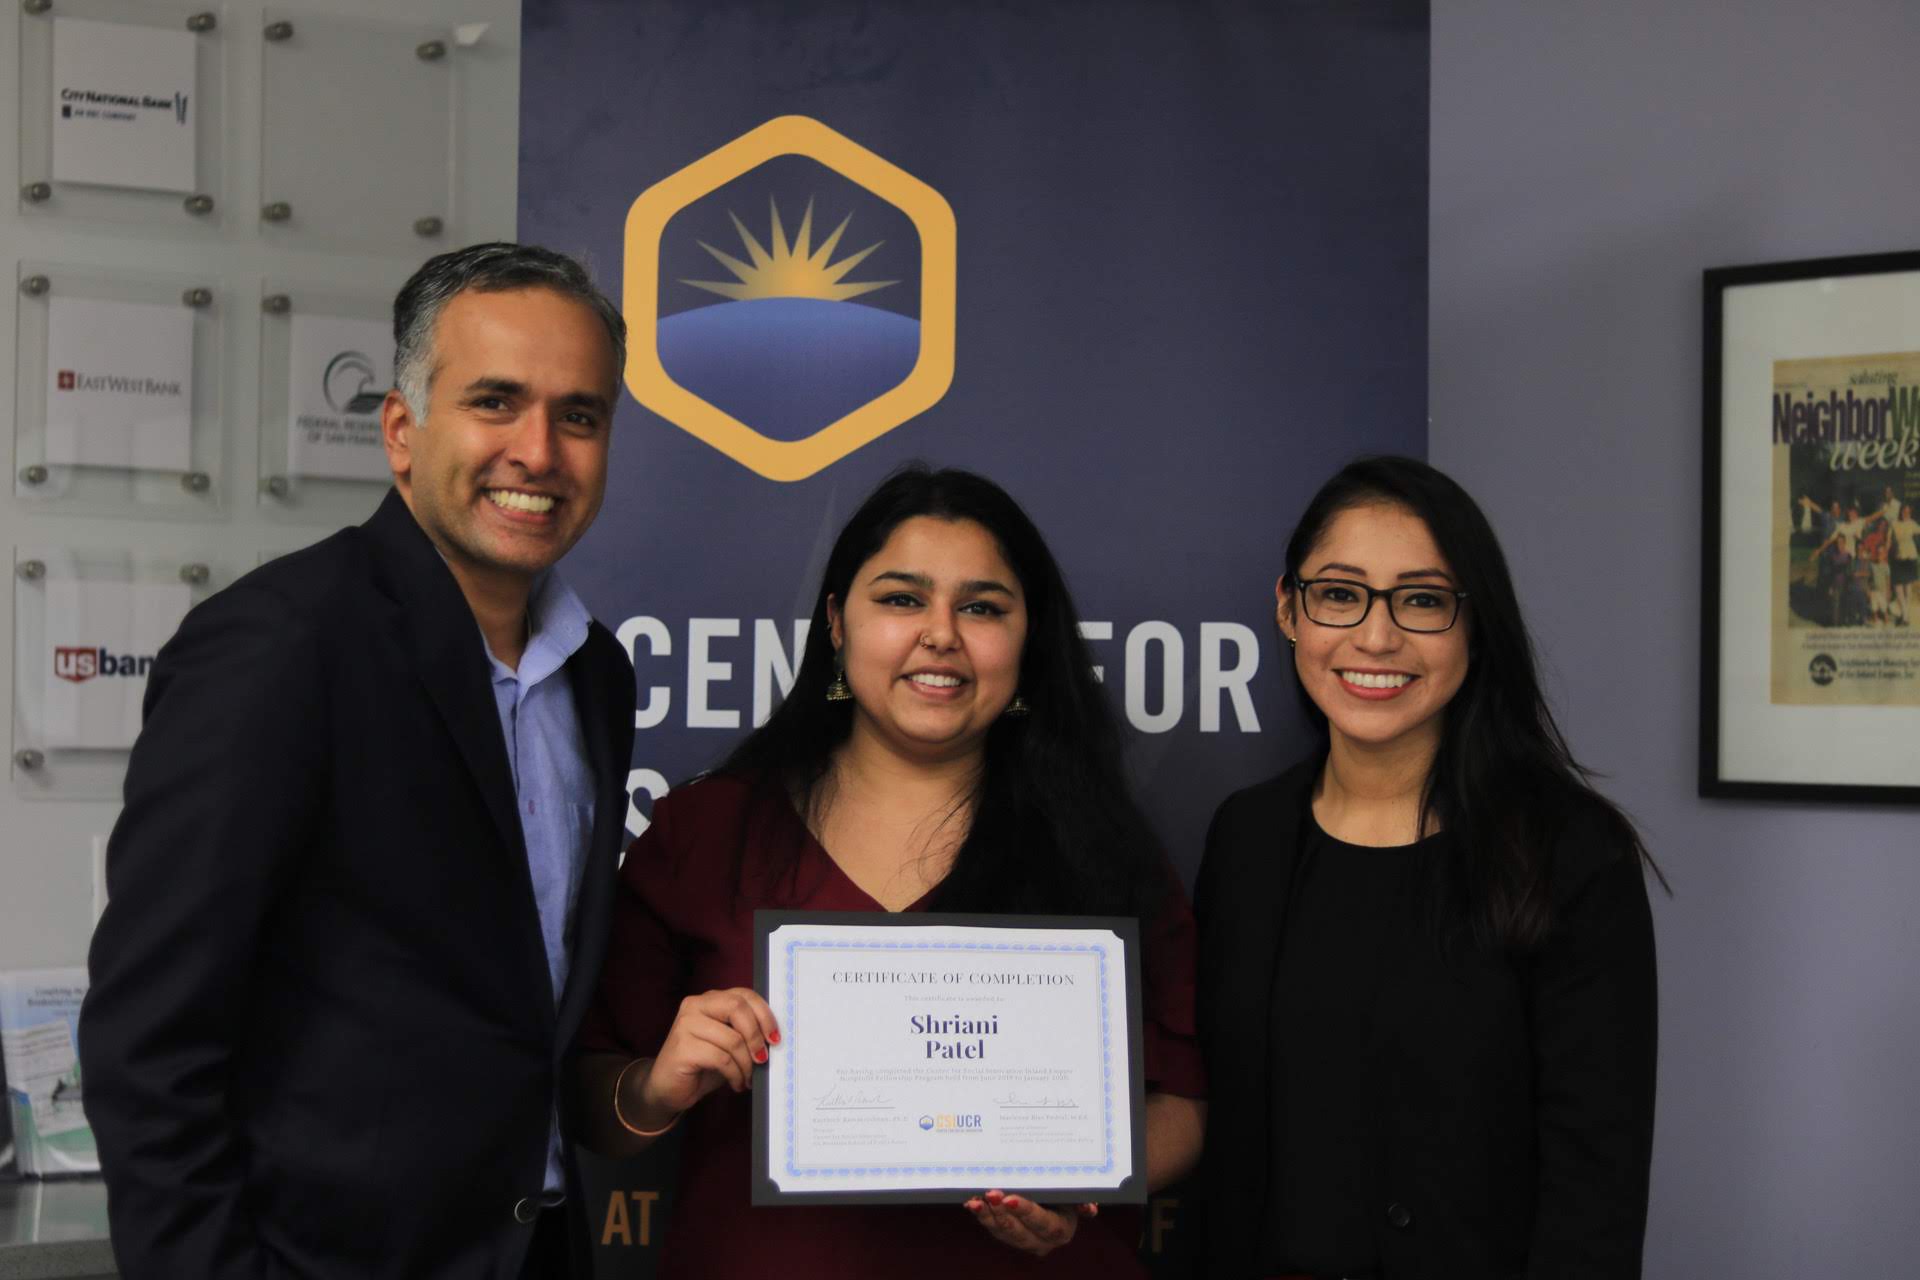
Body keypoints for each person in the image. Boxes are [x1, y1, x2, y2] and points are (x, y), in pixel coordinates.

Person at [79, 243, 637, 1280]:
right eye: (495, 402)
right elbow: (150, 1038)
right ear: (400, 431)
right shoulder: (279, 646)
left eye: (579, 415)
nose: (539, 452)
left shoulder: (596, 673)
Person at [572, 466, 1206, 1276]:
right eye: (902, 599)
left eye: (982, 607)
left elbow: (1183, 1106)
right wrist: (656, 1089)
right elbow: (593, 1104)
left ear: (1029, 638)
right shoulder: (707, 831)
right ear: (837, 622)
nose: (940, 634)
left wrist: (1082, 1185)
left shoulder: (1101, 846)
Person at [1193, 456, 1660, 1278]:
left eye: (1422, 600)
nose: (1377, 637)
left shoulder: (1572, 855)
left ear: (1475, 625)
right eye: (1340, 594)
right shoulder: (1245, 838)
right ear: (1288, 610)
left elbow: (1595, 1198)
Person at [1891, 502, 1919, 625]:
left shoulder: (1912, 523)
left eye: (1908, 512)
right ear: (1901, 511)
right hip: (1898, 557)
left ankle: (1905, 617)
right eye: (1904, 511)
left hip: (1911, 557)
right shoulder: (1894, 523)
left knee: (1907, 587)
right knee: (1898, 586)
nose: (1906, 514)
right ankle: (1905, 614)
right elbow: (1889, 539)